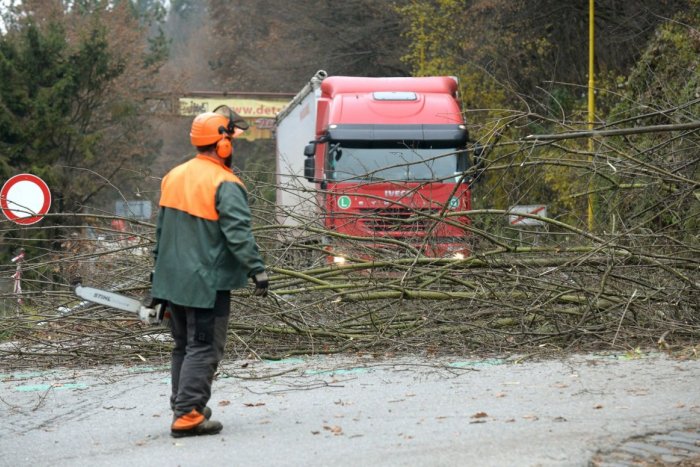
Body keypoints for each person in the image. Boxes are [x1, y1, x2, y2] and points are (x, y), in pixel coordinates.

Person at [151, 106, 269, 438]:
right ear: (223, 145)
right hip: (205, 283)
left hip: (173, 282)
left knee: (183, 346)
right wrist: (256, 269)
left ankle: (184, 403)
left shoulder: (173, 176)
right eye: (231, 140)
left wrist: (156, 284)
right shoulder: (224, 182)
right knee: (204, 347)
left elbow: (160, 236)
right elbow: (238, 233)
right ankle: (188, 415)